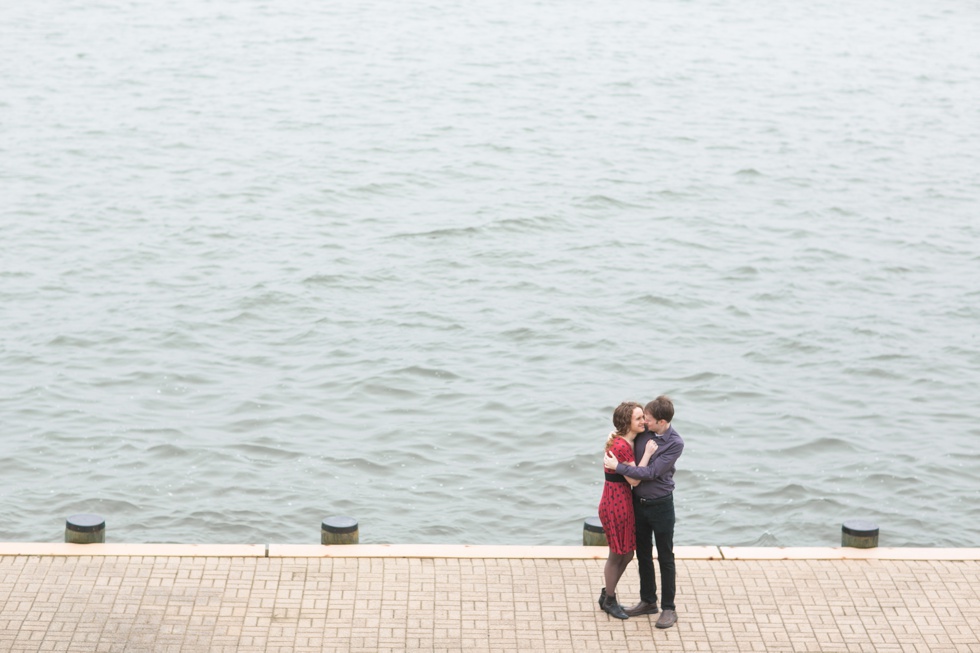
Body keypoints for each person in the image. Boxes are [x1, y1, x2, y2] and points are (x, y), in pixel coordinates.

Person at [604, 395, 684, 629]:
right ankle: (648, 601)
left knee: (666, 557)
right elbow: (622, 435)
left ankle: (669, 608)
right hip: (637, 504)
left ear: (661, 421)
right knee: (643, 555)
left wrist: (616, 467)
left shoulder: (675, 443)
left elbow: (650, 472)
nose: (645, 422)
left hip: (661, 505)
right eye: (643, 419)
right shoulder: (644, 433)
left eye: (648, 419)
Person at [597, 402, 655, 619]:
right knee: (617, 553)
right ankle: (609, 599)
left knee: (628, 553)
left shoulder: (626, 440)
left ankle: (607, 593)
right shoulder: (621, 446)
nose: (643, 421)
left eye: (643, 417)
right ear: (627, 423)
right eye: (639, 418)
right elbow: (634, 480)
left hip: (622, 501)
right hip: (615, 503)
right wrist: (648, 453)